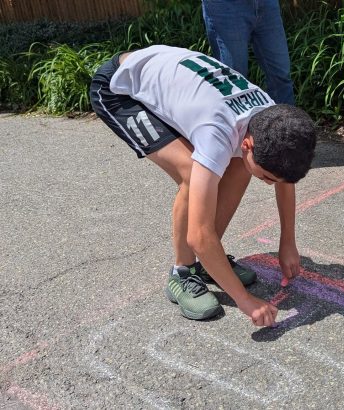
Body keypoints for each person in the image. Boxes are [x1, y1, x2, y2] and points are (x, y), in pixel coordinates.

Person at [89, 45, 316, 327]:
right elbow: (198, 234)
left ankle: (209, 262)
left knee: (241, 166)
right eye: (268, 178)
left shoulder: (272, 118)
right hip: (118, 89)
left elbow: (284, 179)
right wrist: (245, 300)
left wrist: (288, 242)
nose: (270, 184)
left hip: (173, 80)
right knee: (190, 173)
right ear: (249, 144)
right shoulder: (216, 132)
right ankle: (183, 273)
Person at [201, 0, 295, 105]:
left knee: (281, 77)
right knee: (235, 83)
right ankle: (238, 116)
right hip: (225, 7)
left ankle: (285, 116)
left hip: (267, 4)